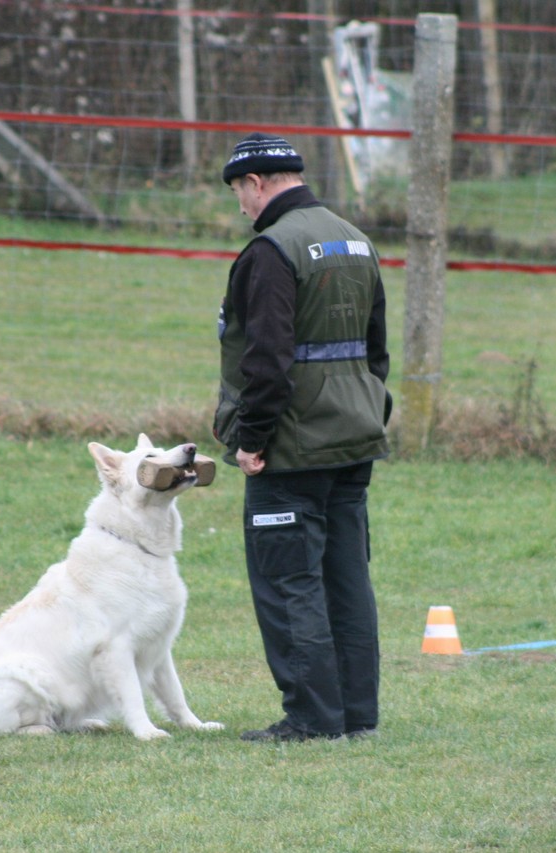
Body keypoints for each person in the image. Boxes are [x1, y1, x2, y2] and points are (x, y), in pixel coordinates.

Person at [213, 132, 391, 742]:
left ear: (256, 183)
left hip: (291, 447)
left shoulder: (271, 250)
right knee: (347, 579)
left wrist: (252, 439)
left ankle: (314, 719)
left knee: (290, 582)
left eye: (239, 192)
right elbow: (376, 351)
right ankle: (356, 715)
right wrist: (365, 409)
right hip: (355, 436)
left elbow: (267, 361)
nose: (241, 205)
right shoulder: (355, 239)